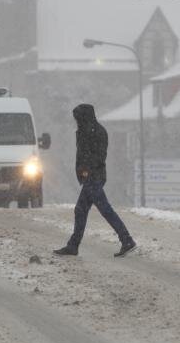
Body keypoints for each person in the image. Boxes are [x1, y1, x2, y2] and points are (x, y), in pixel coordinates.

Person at [54, 104, 136, 257]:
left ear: (84, 117)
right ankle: (73, 246)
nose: (76, 122)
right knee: (81, 210)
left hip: (93, 177)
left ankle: (127, 240)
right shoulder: (88, 130)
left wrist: (86, 170)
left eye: (78, 118)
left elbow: (98, 156)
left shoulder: (94, 132)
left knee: (105, 210)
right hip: (92, 177)